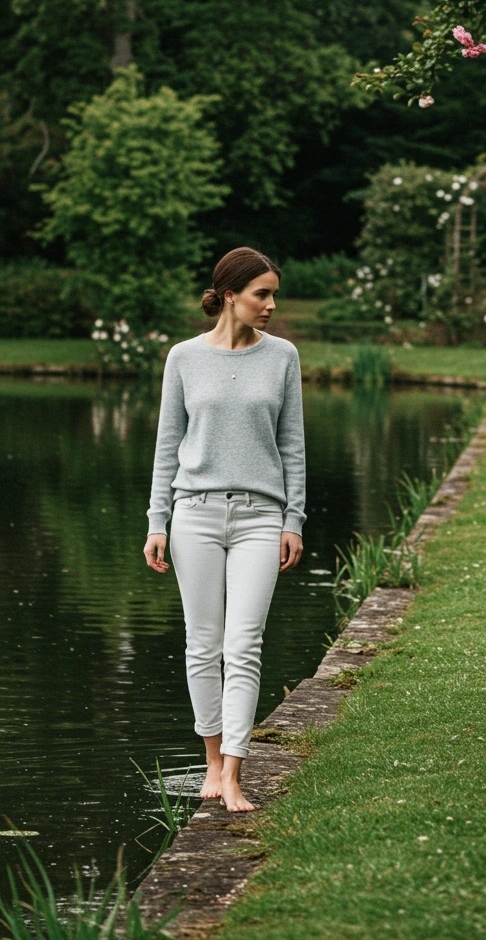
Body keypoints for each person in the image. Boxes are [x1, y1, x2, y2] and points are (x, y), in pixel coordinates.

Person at [143, 246, 306, 813]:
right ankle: (212, 759)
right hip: (195, 515)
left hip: (262, 517)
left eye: (274, 294)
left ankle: (233, 772)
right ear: (230, 295)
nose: (271, 305)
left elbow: (292, 446)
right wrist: (157, 521)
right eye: (262, 294)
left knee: (243, 645)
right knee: (202, 644)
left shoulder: (283, 356)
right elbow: (167, 445)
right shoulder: (183, 358)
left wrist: (293, 519)